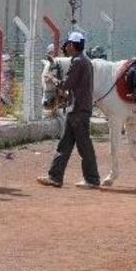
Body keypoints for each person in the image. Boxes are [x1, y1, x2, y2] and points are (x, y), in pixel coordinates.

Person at [37, 32, 101, 189]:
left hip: (78, 110)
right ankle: (55, 176)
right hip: (79, 109)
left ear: (72, 45)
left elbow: (66, 85)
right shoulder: (85, 61)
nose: (66, 48)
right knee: (65, 145)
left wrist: (53, 80)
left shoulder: (78, 62)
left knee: (84, 146)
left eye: (68, 45)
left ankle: (92, 179)